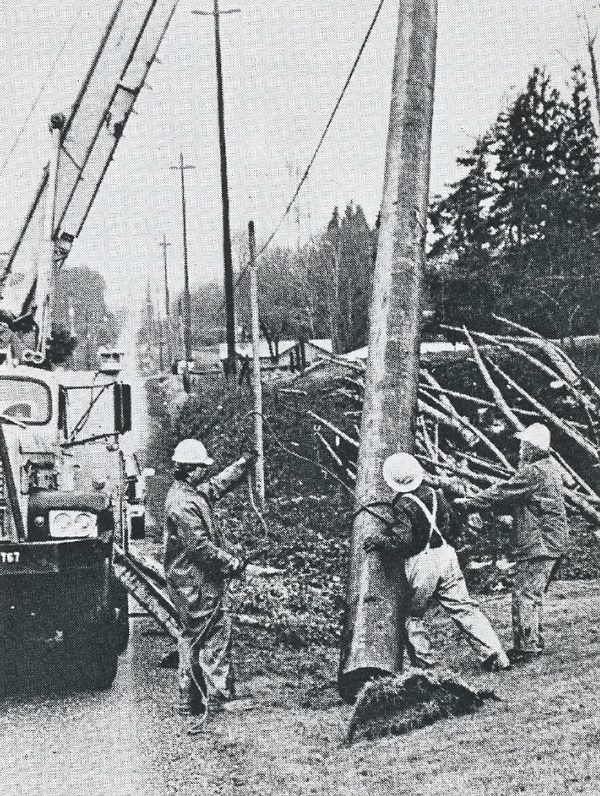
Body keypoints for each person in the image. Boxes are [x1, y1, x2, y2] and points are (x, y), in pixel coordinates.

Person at [363, 452, 510, 672]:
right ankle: (495, 655)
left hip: (423, 563)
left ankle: (426, 667)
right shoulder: (435, 494)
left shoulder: (402, 504)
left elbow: (404, 541)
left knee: (412, 615)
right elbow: (452, 525)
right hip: (447, 555)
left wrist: (380, 541)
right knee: (464, 607)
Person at [454, 423, 568, 664]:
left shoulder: (533, 472)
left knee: (524, 594)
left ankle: (527, 648)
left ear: (532, 447)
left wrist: (469, 502)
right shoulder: (550, 469)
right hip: (551, 541)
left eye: (523, 444)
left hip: (540, 543)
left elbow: (504, 491)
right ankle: (532, 643)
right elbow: (518, 499)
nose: (520, 449)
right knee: (533, 594)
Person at [163, 438, 257, 732]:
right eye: (201, 467)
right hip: (195, 581)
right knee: (213, 631)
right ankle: (217, 697)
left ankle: (190, 698)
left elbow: (215, 486)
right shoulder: (183, 503)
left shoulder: (189, 493)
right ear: (191, 469)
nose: (204, 472)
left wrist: (240, 466)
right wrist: (233, 563)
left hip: (190, 579)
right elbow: (200, 547)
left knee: (192, 634)